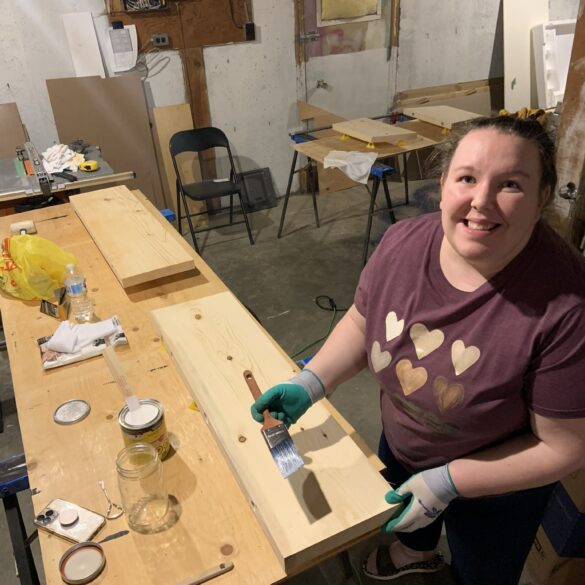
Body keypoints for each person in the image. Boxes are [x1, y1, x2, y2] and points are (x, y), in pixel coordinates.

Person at [251, 116, 585, 585]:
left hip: (495, 490)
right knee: (412, 521)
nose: (481, 201)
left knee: (482, 571)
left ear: (542, 198)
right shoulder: (402, 244)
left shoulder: (568, 304)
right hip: (405, 439)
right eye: (466, 178)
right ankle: (416, 552)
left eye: (510, 184)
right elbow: (362, 320)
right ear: (444, 184)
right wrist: (311, 380)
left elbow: (565, 448)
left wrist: (450, 482)